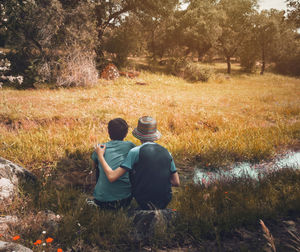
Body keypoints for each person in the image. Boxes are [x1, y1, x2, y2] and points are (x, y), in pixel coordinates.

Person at [96, 116, 180, 210]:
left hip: (144, 201)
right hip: (165, 200)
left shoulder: (135, 151)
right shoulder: (167, 152)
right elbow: (176, 182)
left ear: (139, 134)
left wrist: (100, 156)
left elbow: (112, 177)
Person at [89, 118, 135, 209]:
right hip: (125, 200)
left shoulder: (100, 148)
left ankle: (100, 192)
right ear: (126, 133)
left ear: (108, 132)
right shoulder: (130, 146)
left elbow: (93, 167)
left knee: (98, 166)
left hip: (101, 201)